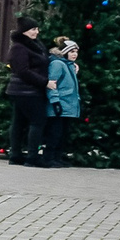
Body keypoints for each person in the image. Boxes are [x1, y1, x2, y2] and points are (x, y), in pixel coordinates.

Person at [3, 20, 47, 164]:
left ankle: (16, 155)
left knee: (19, 122)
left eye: (37, 28)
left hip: (24, 90)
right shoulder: (20, 47)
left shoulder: (33, 45)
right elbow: (23, 71)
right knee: (37, 122)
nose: (36, 32)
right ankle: (32, 156)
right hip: (26, 91)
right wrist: (44, 82)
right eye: (33, 29)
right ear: (24, 31)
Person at [42, 37, 82, 167]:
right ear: (64, 52)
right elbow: (52, 84)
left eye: (76, 51)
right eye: (71, 52)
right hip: (59, 105)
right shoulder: (57, 64)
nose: (74, 54)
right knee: (55, 134)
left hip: (68, 106)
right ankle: (49, 158)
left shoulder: (70, 66)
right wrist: (55, 102)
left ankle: (57, 157)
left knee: (63, 134)